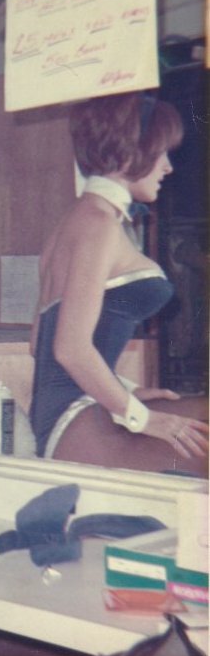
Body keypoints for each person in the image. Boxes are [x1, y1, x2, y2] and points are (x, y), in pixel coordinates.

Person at [29, 91, 208, 476]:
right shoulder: (98, 226)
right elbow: (70, 349)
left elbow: (38, 344)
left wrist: (128, 391)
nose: (168, 167)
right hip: (76, 423)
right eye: (162, 152)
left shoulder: (74, 223)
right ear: (130, 154)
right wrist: (144, 418)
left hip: (73, 414)